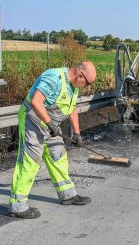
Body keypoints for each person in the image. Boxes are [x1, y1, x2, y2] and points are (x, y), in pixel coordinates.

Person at [9, 61, 97, 219]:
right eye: (88, 83)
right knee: (31, 161)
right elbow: (36, 101)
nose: (87, 86)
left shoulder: (73, 87)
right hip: (33, 121)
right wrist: (49, 123)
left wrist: (77, 134)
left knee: (59, 157)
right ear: (80, 75)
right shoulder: (54, 77)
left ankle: (67, 195)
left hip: (51, 125)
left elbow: (72, 109)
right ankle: (18, 205)